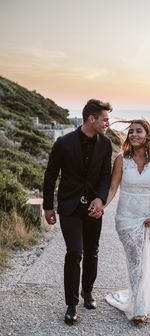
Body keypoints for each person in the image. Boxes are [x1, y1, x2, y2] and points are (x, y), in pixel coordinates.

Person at [43, 99, 112, 324]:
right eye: (104, 119)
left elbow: (105, 175)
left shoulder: (106, 144)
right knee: (74, 252)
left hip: (94, 208)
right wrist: (48, 206)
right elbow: (50, 175)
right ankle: (71, 305)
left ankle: (88, 292)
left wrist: (101, 200)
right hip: (70, 207)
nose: (107, 124)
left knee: (92, 251)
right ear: (91, 119)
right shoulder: (63, 143)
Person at [105, 119, 150, 324]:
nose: (133, 135)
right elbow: (113, 188)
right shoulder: (121, 160)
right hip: (126, 218)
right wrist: (102, 205)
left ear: (147, 135)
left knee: (141, 260)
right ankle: (139, 309)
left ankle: (137, 297)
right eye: (131, 132)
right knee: (136, 261)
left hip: (148, 218)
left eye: (138, 131)